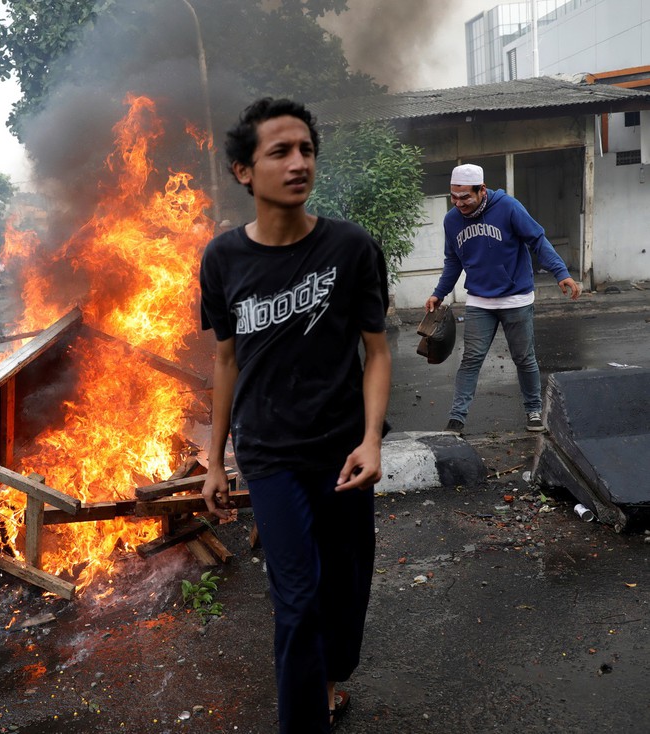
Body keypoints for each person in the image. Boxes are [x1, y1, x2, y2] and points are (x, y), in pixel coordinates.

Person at [198, 97, 391, 734]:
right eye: (279, 151)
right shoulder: (223, 260)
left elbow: (377, 350)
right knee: (297, 599)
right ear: (243, 171)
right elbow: (225, 361)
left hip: (341, 450)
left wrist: (371, 440)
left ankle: (330, 675)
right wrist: (215, 460)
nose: (298, 162)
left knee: (345, 589)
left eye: (306, 149)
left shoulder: (352, 248)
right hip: (270, 455)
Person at [426, 163, 581, 435]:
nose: (459, 203)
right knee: (471, 360)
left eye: (465, 197)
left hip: (516, 299)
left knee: (524, 358)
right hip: (479, 301)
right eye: (454, 196)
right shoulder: (451, 220)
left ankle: (533, 410)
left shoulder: (508, 207)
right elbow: (453, 261)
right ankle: (457, 418)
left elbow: (537, 240)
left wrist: (561, 273)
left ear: (481, 190)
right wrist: (439, 293)